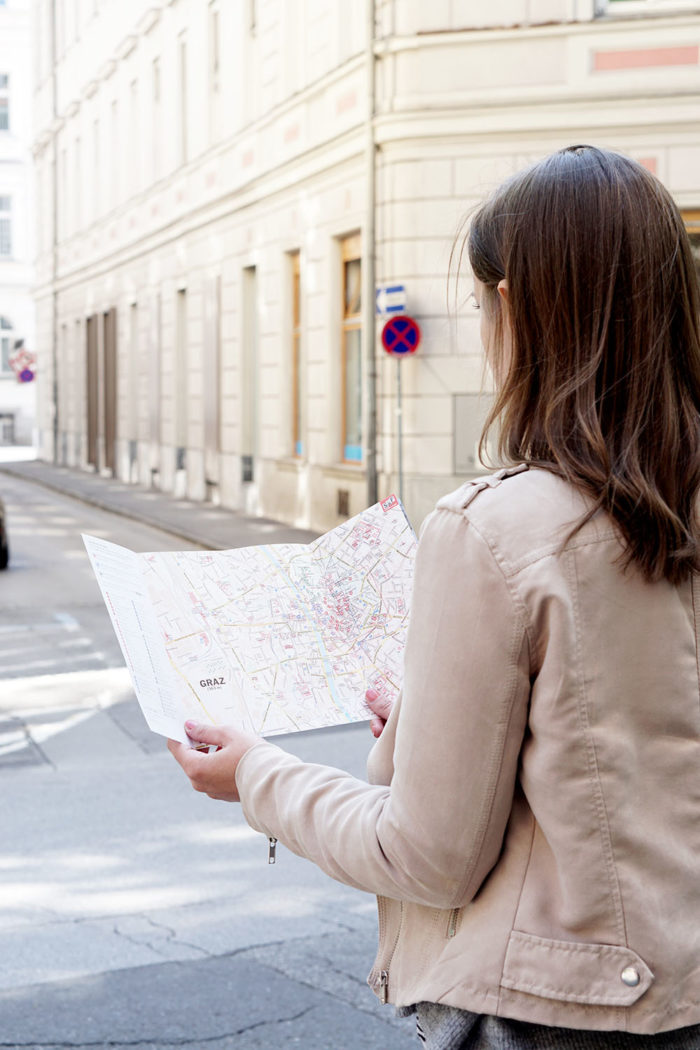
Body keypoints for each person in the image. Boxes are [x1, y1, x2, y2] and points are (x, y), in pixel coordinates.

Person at [168, 145, 700, 1048]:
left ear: (514, 307)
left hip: (560, 1019)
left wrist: (255, 775)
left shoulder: (496, 528)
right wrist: (424, 726)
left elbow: (428, 856)